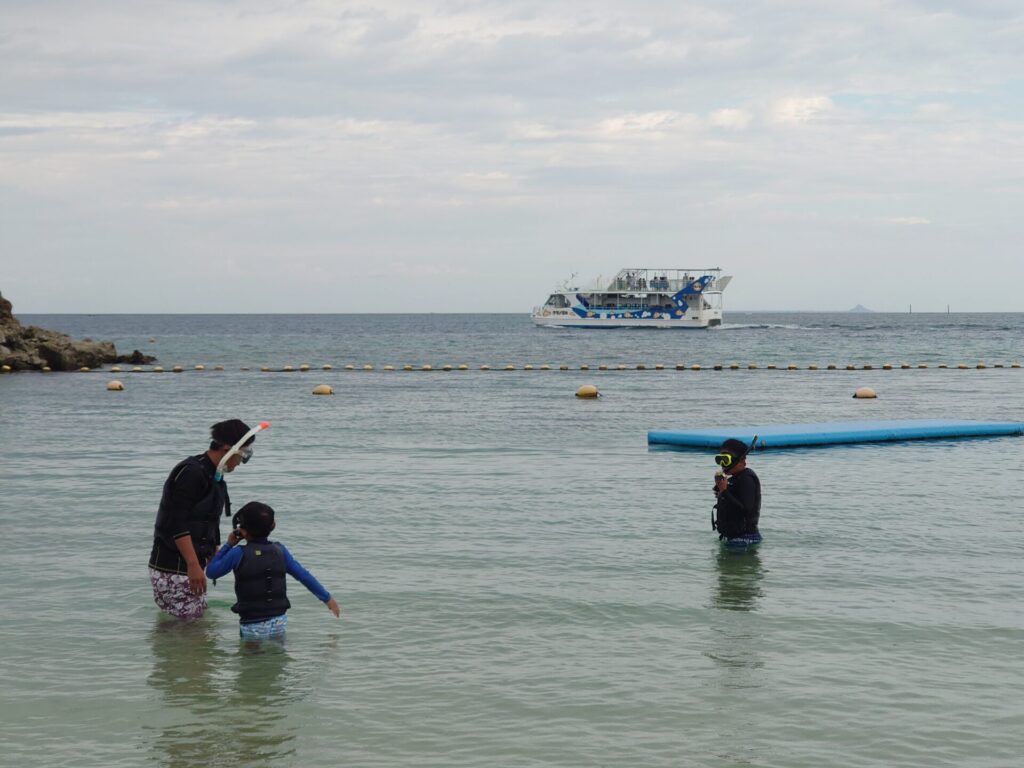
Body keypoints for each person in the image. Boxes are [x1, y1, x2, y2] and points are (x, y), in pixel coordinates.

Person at [149, 419, 258, 620]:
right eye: (243, 455)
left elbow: (207, 519)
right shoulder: (191, 473)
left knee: (192, 627)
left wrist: (212, 551)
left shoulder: (213, 475)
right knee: (189, 631)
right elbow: (177, 522)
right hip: (175, 567)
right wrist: (192, 565)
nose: (241, 463)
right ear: (227, 448)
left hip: (192, 565)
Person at [205, 501, 341, 640]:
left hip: (252, 624)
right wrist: (327, 598)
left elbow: (211, 572)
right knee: (277, 657)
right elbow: (303, 575)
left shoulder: (238, 553)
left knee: (251, 659)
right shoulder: (280, 551)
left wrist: (228, 545)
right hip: (278, 621)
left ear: (243, 531)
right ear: (273, 526)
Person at [712, 438, 762, 546]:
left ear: (742, 460)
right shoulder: (735, 478)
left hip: (744, 540)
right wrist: (721, 491)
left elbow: (746, 510)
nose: (722, 464)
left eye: (726, 460)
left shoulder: (747, 479)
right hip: (735, 539)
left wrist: (725, 491)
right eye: (720, 459)